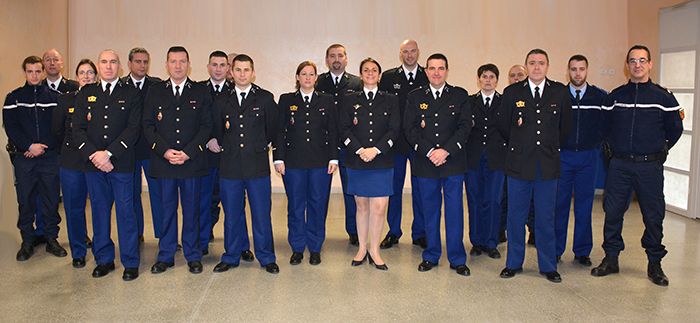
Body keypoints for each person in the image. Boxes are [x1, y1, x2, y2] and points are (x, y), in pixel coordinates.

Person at [591, 45, 683, 286]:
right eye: (633, 61)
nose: (637, 65)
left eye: (642, 60)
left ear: (650, 64)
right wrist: (610, 149)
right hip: (619, 166)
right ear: (627, 65)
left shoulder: (663, 97)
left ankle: (654, 263)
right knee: (612, 213)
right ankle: (611, 258)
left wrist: (662, 149)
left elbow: (675, 129)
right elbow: (603, 127)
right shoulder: (615, 96)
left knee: (653, 216)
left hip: (648, 167)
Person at [497, 49, 573, 283]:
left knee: (545, 218)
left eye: (541, 63)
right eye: (532, 63)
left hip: (547, 165)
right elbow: (504, 127)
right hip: (519, 164)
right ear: (526, 66)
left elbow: (565, 127)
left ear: (548, 66)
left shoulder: (559, 92)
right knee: (516, 217)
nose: (536, 67)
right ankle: (513, 263)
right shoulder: (512, 92)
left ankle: (548, 265)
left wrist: (547, 148)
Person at [72, 50, 142, 281]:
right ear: (99, 66)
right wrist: (96, 155)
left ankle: (130, 261)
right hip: (94, 165)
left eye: (113, 62)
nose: (108, 66)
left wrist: (109, 153)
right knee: (100, 212)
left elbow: (133, 129)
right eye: (104, 62)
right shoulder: (86, 93)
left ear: (120, 66)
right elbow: (78, 129)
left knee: (125, 213)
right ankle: (104, 259)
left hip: (120, 163)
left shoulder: (130, 93)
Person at [143, 46, 212, 274]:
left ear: (188, 64)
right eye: (173, 62)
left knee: (192, 210)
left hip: (191, 161)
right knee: (166, 209)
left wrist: (189, 152)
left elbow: (206, 126)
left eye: (182, 61)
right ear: (166, 65)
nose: (178, 66)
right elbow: (148, 125)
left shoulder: (201, 91)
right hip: (164, 161)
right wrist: (164, 151)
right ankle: (166, 254)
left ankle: (193, 254)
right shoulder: (154, 92)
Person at [211, 54, 280, 274]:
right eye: (238, 70)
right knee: (231, 214)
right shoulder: (221, 100)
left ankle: (266, 257)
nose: (242, 74)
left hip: (257, 165)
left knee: (261, 214)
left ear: (253, 72)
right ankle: (231, 256)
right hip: (230, 166)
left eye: (246, 70)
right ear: (232, 72)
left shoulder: (265, 98)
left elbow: (273, 130)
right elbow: (218, 131)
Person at [405, 53, 471, 276]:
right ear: (426, 71)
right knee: (429, 211)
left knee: (454, 212)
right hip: (426, 162)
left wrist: (446, 151)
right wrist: (430, 151)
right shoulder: (415, 97)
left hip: (452, 163)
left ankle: (457, 258)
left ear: (447, 71)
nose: (436, 72)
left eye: (441, 68)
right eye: (432, 68)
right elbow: (410, 129)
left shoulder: (460, 95)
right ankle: (431, 255)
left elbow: (464, 128)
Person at [274, 61, 338, 266]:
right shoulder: (286, 100)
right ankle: (297, 247)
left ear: (316, 78)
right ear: (297, 77)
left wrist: (334, 158)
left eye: (311, 74)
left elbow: (334, 131)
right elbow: (279, 131)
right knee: (295, 205)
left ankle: (316, 246)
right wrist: (278, 158)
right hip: (293, 163)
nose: (308, 78)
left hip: (320, 162)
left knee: (318, 205)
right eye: (304, 74)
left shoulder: (327, 101)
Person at [4, 56, 67, 261]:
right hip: (24, 159)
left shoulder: (56, 97)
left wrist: (42, 147)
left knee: (50, 201)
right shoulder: (13, 98)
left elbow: (60, 127)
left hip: (49, 158)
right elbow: (11, 128)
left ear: (43, 72)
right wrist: (29, 146)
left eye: (38, 71)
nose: (34, 75)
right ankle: (27, 241)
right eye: (30, 71)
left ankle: (51, 239)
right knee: (26, 201)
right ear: (24, 73)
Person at [340, 58, 399, 270]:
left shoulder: (391, 100)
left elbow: (394, 130)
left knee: (380, 206)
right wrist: (360, 150)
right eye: (366, 70)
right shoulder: (350, 99)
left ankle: (374, 250)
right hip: (357, 160)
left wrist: (376, 150)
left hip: (382, 159)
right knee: (362, 205)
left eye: (374, 70)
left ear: (380, 75)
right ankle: (362, 249)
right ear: (361, 74)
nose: (370, 73)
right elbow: (344, 129)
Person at [377, 39, 429, 249]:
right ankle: (393, 231)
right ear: (400, 54)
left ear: (418, 52)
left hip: (420, 143)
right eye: (405, 52)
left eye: (413, 51)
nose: (409, 55)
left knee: (420, 189)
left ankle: (420, 232)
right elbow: (382, 109)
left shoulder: (428, 75)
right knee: (394, 189)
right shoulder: (389, 77)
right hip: (396, 144)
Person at [555, 55, 607, 265]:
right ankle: (556, 249)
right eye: (574, 69)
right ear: (568, 71)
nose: (577, 73)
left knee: (585, 205)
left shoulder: (598, 97)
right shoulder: (559, 95)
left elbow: (606, 126)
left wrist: (595, 144)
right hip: (563, 156)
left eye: (581, 69)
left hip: (588, 157)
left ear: (587, 71)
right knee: (560, 205)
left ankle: (582, 251)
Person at [51, 59, 98, 268]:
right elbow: (57, 131)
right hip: (71, 161)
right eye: (82, 73)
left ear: (96, 76)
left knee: (100, 207)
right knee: (74, 208)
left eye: (90, 73)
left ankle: (101, 249)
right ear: (76, 77)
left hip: (96, 160)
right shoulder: (65, 100)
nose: (86, 76)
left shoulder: (103, 99)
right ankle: (78, 251)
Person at [208, 51, 254, 261]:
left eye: (223, 65)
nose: (219, 69)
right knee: (206, 201)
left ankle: (242, 245)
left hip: (235, 158)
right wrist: (209, 139)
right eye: (215, 65)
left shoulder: (236, 90)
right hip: (208, 156)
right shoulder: (200, 89)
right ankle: (202, 243)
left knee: (235, 205)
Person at [316, 44, 363, 245]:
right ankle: (317, 231)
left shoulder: (356, 82)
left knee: (350, 189)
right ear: (326, 60)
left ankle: (353, 230)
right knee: (319, 192)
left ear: (346, 59)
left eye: (340, 55)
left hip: (347, 145)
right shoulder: (318, 82)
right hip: (322, 146)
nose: (336, 59)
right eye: (332, 56)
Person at [464, 63, 506, 260]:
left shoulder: (505, 103)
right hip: (473, 159)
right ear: (478, 79)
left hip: (497, 160)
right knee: (474, 200)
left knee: (493, 201)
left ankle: (491, 242)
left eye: (491, 76)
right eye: (484, 76)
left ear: (497, 80)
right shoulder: (469, 102)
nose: (488, 80)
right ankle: (477, 241)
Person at [121, 47, 163, 243]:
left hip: (152, 149)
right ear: (129, 64)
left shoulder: (157, 86)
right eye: (138, 61)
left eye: (145, 62)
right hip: (128, 151)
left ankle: (164, 235)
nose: (142, 65)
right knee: (132, 195)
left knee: (159, 194)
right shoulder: (120, 86)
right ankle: (136, 234)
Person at [498, 64, 530, 243]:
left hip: (531, 155)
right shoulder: (506, 98)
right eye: (512, 76)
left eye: (520, 75)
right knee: (504, 195)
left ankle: (532, 231)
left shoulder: (534, 99)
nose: (516, 78)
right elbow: (503, 126)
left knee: (531, 198)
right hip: (508, 154)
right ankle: (501, 229)